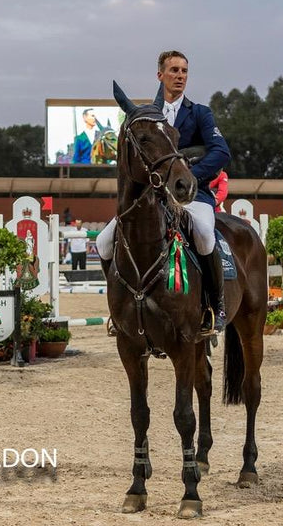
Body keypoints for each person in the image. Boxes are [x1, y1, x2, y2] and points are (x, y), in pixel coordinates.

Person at [96, 50, 231, 335]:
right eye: (174, 70)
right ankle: (118, 311)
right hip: (150, 200)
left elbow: (221, 151)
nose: (180, 76)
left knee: (205, 235)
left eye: (184, 71)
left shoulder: (200, 113)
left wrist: (188, 176)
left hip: (190, 195)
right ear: (160, 75)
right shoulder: (148, 117)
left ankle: (214, 306)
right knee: (104, 241)